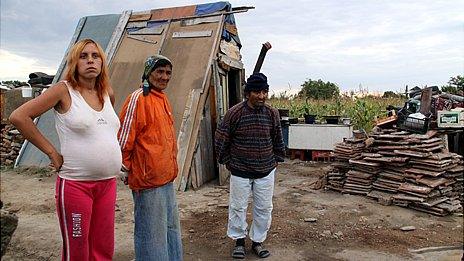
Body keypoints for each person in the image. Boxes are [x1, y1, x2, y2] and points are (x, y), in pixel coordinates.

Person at [9, 38, 121, 260]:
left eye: (95, 56)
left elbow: (104, 131)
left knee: (103, 248)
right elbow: (19, 117)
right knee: (77, 248)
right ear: (74, 62)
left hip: (108, 183)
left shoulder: (107, 94)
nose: (90, 60)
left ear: (102, 62)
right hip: (76, 185)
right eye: (83, 56)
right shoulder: (63, 90)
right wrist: (52, 152)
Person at [118, 55, 183, 261]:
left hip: (165, 178)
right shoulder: (138, 98)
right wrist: (124, 169)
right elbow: (124, 138)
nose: (164, 77)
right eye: (160, 72)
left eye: (168, 73)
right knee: (151, 234)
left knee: (170, 229)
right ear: (148, 73)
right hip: (147, 181)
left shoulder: (162, 99)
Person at [215, 72, 285, 259]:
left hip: (266, 170)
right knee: (238, 207)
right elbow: (221, 138)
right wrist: (226, 161)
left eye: (264, 92)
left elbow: (278, 138)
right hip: (240, 170)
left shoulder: (272, 114)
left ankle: (257, 241)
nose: (261, 96)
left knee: (263, 207)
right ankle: (238, 242)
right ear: (248, 93)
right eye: (257, 92)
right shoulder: (235, 113)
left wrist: (277, 158)